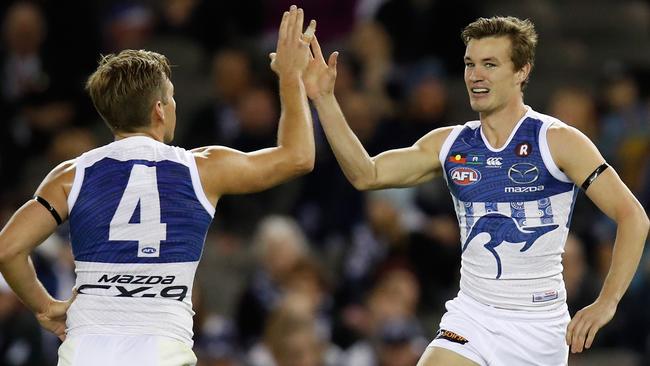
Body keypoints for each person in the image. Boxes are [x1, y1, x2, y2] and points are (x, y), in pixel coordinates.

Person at [302, 16, 649, 365]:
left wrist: (607, 302)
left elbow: (633, 216)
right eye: (470, 64)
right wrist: (324, 99)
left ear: (521, 72)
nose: (475, 75)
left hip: (538, 327)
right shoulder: (450, 142)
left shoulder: (557, 140)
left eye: (490, 64)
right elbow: (367, 174)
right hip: (472, 315)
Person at [0, 5, 316, 366]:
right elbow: (298, 157)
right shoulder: (203, 169)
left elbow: (8, 249)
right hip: (162, 350)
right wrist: (291, 77)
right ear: (160, 110)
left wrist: (45, 308)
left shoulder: (71, 175)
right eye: (172, 97)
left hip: (86, 349)